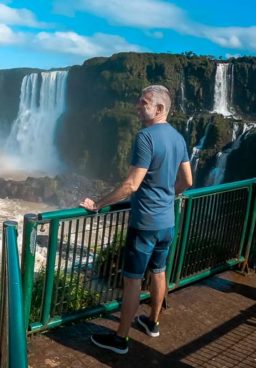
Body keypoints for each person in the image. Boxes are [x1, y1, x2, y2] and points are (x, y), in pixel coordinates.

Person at [80, 85, 193, 354]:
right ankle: (152, 323)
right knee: (159, 272)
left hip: (144, 224)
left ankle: (120, 339)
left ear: (159, 108)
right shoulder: (178, 139)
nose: (136, 106)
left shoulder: (145, 137)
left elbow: (131, 184)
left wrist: (97, 204)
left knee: (132, 281)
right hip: (167, 222)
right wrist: (169, 196)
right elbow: (188, 180)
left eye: (142, 102)